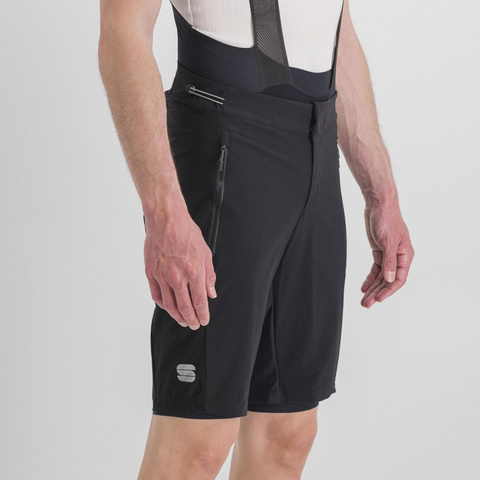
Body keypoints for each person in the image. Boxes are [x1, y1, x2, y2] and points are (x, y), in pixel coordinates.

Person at [98, 0, 414, 478]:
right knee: (198, 438)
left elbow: (337, 28)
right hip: (224, 140)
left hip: (316, 150)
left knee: (288, 432)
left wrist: (381, 193)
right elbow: (123, 32)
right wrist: (164, 214)